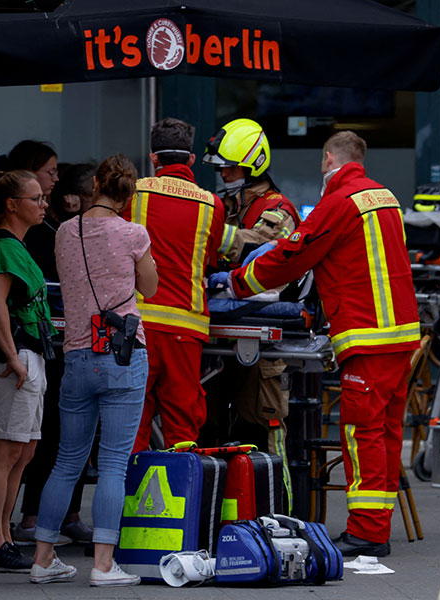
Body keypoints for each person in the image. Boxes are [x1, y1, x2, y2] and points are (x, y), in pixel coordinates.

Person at [214, 131, 419, 557]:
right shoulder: (385, 196)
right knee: (384, 433)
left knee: (361, 435)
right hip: (400, 334)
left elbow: (295, 253)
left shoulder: (340, 201)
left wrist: (236, 283)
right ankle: (376, 526)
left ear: (329, 159)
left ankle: (366, 533)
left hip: (367, 334)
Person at [29, 154, 157, 586]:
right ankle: (103, 565)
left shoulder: (67, 230)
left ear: (97, 183)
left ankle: (43, 558)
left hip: (78, 356)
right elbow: (150, 287)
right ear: (128, 193)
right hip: (122, 356)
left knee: (66, 461)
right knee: (114, 463)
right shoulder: (133, 233)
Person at [202, 118, 301, 511]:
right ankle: (219, 514)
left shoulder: (277, 210)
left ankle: (279, 515)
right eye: (222, 168)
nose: (224, 174)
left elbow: (253, 248)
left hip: (261, 346)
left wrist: (210, 234)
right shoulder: (226, 204)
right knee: (210, 430)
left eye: (231, 168)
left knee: (262, 429)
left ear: (253, 166)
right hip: (220, 339)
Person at [0, 170, 57, 572]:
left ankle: (2, 536)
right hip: (14, 359)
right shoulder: (0, 248)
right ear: (12, 205)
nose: (43, 204)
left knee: (23, 450)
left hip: (27, 355)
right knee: (6, 450)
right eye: (36, 198)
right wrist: (11, 356)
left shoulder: (14, 246)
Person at [9, 142, 92, 546]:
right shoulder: (33, 236)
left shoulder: (56, 225)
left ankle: (66, 514)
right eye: (49, 172)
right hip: (42, 343)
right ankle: (33, 518)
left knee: (69, 433)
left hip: (60, 340)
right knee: (49, 434)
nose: (55, 180)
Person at [127, 117, 226, 453]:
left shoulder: (134, 193)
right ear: (191, 160)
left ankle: (131, 504)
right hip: (187, 327)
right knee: (182, 426)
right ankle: (181, 504)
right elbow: (210, 260)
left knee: (132, 421)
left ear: (154, 158)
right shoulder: (213, 204)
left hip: (137, 324)